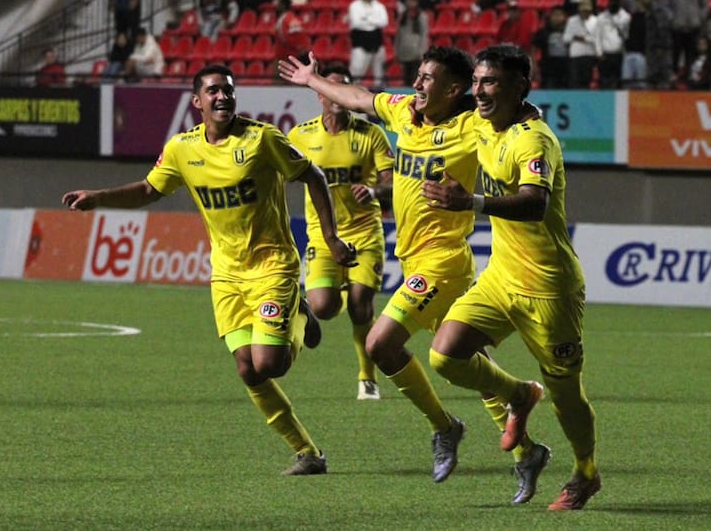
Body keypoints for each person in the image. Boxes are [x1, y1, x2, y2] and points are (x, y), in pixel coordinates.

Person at [62, 64, 357, 476]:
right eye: (214, 91)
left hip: (272, 265)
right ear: (197, 101)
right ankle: (307, 452)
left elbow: (314, 175)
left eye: (229, 91)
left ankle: (298, 314)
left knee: (271, 364)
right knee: (247, 369)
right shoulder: (183, 149)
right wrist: (99, 197)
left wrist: (331, 239)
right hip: (226, 273)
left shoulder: (262, 139)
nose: (222, 97)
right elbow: (150, 190)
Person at [279, 47, 549, 497]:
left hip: (442, 259)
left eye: (428, 80)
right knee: (467, 362)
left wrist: (530, 109)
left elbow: (516, 116)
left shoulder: (471, 126)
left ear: (453, 90)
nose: (418, 86)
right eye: (418, 76)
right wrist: (311, 80)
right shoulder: (405, 112)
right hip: (415, 259)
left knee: (380, 343)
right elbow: (360, 97)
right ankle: (526, 451)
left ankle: (445, 426)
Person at [420, 43, 600, 511]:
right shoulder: (481, 120)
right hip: (501, 276)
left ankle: (585, 473)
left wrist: (471, 203)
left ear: (520, 86)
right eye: (476, 82)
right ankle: (519, 394)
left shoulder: (534, 140)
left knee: (567, 397)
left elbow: (534, 202)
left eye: (490, 82)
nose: (479, 92)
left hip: (549, 288)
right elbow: (431, 95)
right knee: (446, 354)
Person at [287, 64, 394, 401]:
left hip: (364, 230)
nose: (339, 97)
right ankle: (306, 308)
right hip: (321, 234)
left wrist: (375, 192)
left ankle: (367, 377)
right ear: (320, 94)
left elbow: (393, 182)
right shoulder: (300, 136)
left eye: (345, 89)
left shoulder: (371, 135)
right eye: (333, 89)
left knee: (361, 305)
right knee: (324, 307)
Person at [347, 0, 390, 87]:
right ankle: (351, 94)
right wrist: (374, 21)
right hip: (360, 44)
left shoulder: (379, 6)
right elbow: (356, 23)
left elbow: (384, 22)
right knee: (356, 73)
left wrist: (366, 18)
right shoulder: (354, 6)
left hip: (377, 43)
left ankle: (378, 95)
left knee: (379, 75)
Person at [594, 0, 631, 89]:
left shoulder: (626, 17)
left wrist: (620, 27)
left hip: (619, 54)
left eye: (615, 1)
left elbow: (626, 36)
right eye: (611, 1)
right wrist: (599, 53)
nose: (613, 3)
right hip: (605, 55)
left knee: (618, 81)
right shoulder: (601, 17)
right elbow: (597, 36)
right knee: (604, 81)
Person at [562, 0, 598, 88]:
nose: (585, 13)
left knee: (586, 81)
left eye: (587, 11)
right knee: (574, 82)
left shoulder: (596, 21)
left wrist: (583, 38)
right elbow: (565, 38)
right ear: (579, 10)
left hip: (589, 55)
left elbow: (596, 39)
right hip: (575, 56)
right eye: (583, 11)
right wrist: (575, 37)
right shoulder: (572, 20)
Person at [532, 6, 570, 89]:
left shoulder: (569, 31)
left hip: (566, 69)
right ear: (550, 17)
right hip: (548, 70)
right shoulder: (543, 32)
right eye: (555, 15)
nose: (557, 17)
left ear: (565, 17)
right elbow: (534, 48)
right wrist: (535, 66)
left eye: (560, 15)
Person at [394, 0, 430, 87]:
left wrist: (422, 52)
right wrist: (397, 51)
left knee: (415, 79)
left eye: (413, 0)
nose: (410, 3)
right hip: (404, 51)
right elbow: (398, 35)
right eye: (408, 0)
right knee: (406, 78)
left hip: (416, 53)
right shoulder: (402, 16)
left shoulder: (422, 16)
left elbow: (424, 35)